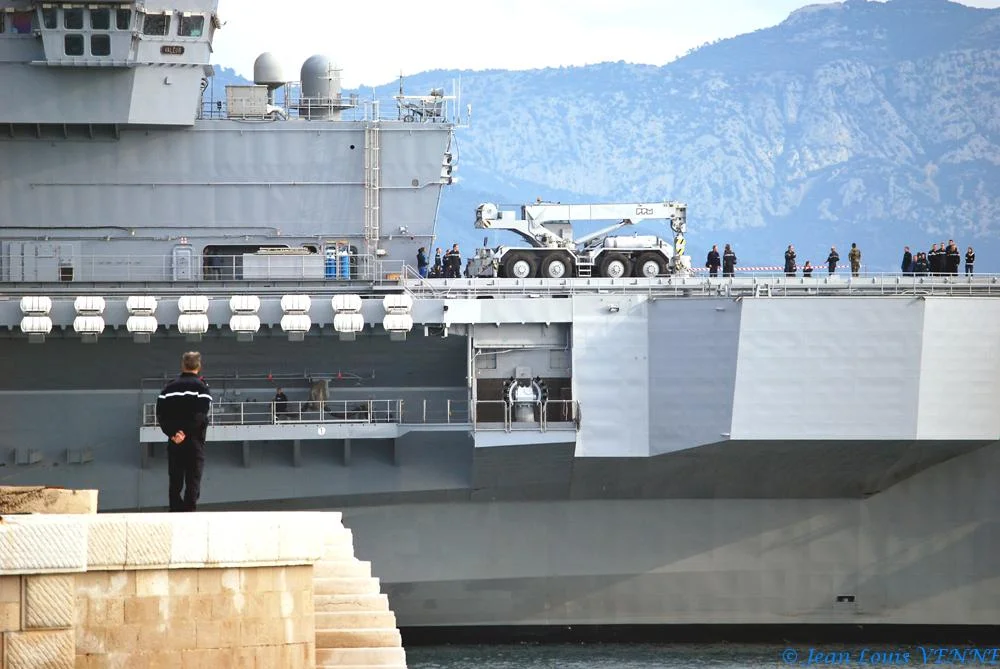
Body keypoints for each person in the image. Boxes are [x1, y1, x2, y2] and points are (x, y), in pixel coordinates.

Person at [156, 352, 212, 512]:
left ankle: (174, 509)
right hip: (194, 440)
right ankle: (189, 510)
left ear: (183, 365)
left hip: (174, 441)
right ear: (199, 366)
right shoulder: (202, 388)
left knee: (175, 479)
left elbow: (161, 414)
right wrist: (185, 433)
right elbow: (200, 415)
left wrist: (174, 434)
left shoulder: (169, 388)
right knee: (193, 479)